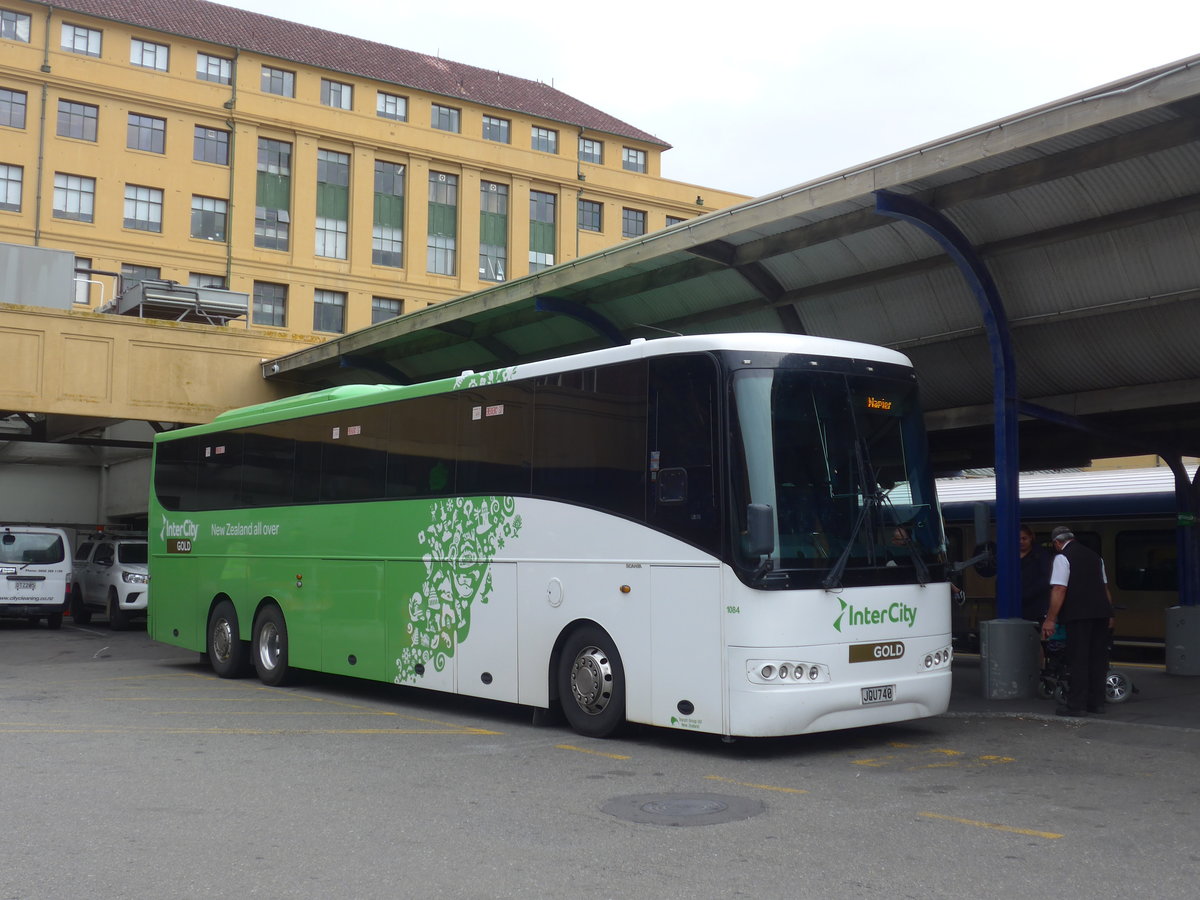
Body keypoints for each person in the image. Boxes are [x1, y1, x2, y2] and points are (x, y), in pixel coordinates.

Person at [1041, 525, 1115, 717]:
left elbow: (1059, 589)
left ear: (1058, 542)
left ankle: (1077, 705)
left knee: (1078, 660)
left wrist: (1050, 619)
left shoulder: (1062, 558)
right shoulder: (1095, 557)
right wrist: (1110, 614)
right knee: (1098, 659)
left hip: (1078, 615)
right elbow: (1105, 587)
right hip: (1101, 614)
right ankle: (1096, 703)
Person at [1019, 524, 1052, 624]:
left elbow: (1046, 579)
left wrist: (1026, 594)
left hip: (1037, 605)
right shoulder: (1010, 555)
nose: (1021, 542)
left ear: (1031, 538)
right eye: (1018, 539)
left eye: (1024, 538)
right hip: (1015, 605)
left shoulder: (1041, 555)